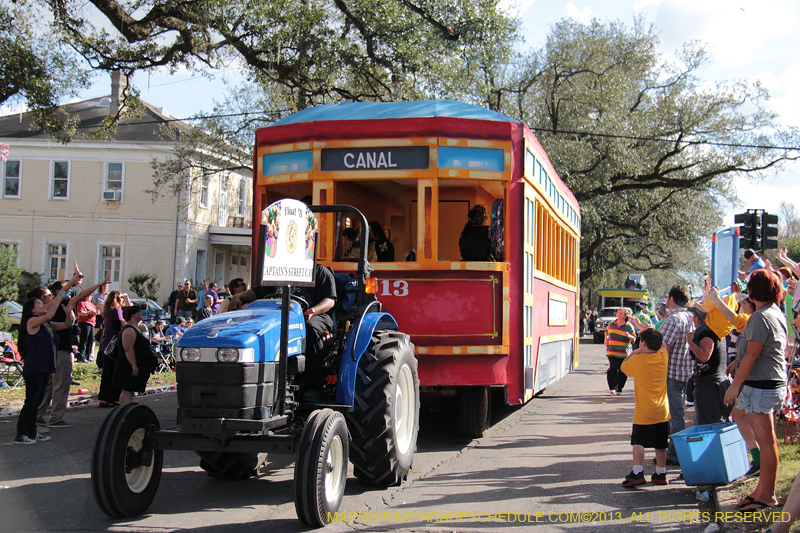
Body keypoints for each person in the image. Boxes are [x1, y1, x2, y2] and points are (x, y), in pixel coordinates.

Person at [724, 269, 787, 512]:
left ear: (752, 292)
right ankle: (762, 491)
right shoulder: (773, 312)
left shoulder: (760, 317)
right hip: (767, 383)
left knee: (767, 441)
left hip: (762, 385)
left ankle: (767, 495)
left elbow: (753, 353)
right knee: (765, 438)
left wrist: (735, 384)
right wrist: (737, 366)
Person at [230, 263, 336, 399]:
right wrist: (238, 297)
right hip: (278, 314)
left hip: (314, 315)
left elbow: (330, 300)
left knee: (310, 328)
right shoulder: (279, 271)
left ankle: (314, 382)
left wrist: (313, 311)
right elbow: (258, 292)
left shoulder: (320, 271)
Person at [15, 291, 79, 444]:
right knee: (30, 402)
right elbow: (49, 315)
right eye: (39, 304)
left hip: (45, 367)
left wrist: (68, 311)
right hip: (34, 368)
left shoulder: (46, 325)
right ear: (32, 310)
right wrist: (60, 297)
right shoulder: (32, 321)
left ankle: (32, 432)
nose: (43, 305)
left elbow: (66, 325)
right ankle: (21, 434)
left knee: (37, 402)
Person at [619, 328, 670, 487]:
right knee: (661, 443)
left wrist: (634, 353)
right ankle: (661, 474)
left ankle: (637, 472)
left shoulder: (637, 360)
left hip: (644, 411)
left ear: (643, 343)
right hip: (662, 410)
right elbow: (664, 346)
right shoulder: (663, 357)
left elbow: (623, 367)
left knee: (638, 442)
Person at [660, 285, 694, 466]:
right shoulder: (689, 317)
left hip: (672, 372)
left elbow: (663, 347)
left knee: (675, 414)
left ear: (671, 299)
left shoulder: (673, 319)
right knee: (676, 412)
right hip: (684, 370)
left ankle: (676, 453)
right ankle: (674, 450)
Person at [685, 306, 729, 425]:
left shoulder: (707, 332)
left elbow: (705, 356)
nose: (692, 319)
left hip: (710, 385)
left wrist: (690, 342)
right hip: (710, 383)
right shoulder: (714, 329)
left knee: (708, 424)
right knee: (706, 423)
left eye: (693, 316)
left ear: (699, 318)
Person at [114, 305, 157, 405]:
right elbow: (128, 349)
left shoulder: (136, 328)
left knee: (130, 389)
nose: (141, 313)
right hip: (127, 364)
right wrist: (134, 365)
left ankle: (127, 410)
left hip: (136, 362)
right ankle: (125, 410)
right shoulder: (129, 330)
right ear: (133, 315)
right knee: (127, 390)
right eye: (139, 312)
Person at [97, 290, 131, 408]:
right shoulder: (116, 310)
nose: (122, 299)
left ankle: (105, 398)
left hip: (105, 344)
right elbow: (120, 326)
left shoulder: (108, 311)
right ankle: (112, 397)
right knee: (114, 372)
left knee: (107, 372)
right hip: (114, 345)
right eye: (120, 297)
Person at [605, 307, 636, 395]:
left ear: (625, 316)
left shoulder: (629, 326)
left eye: (621, 313)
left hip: (624, 353)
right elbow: (606, 331)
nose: (618, 315)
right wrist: (605, 339)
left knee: (623, 370)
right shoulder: (611, 324)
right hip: (612, 351)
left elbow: (634, 339)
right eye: (618, 313)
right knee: (613, 368)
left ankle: (619, 388)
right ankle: (612, 387)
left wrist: (629, 336)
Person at [76, 293, 98, 363]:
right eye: (87, 295)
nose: (89, 296)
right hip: (84, 322)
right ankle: (80, 356)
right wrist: (88, 312)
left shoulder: (91, 304)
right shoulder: (82, 303)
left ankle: (87, 356)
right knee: (83, 339)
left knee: (91, 340)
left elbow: (95, 311)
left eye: (90, 295)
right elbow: (79, 313)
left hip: (92, 323)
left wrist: (96, 312)